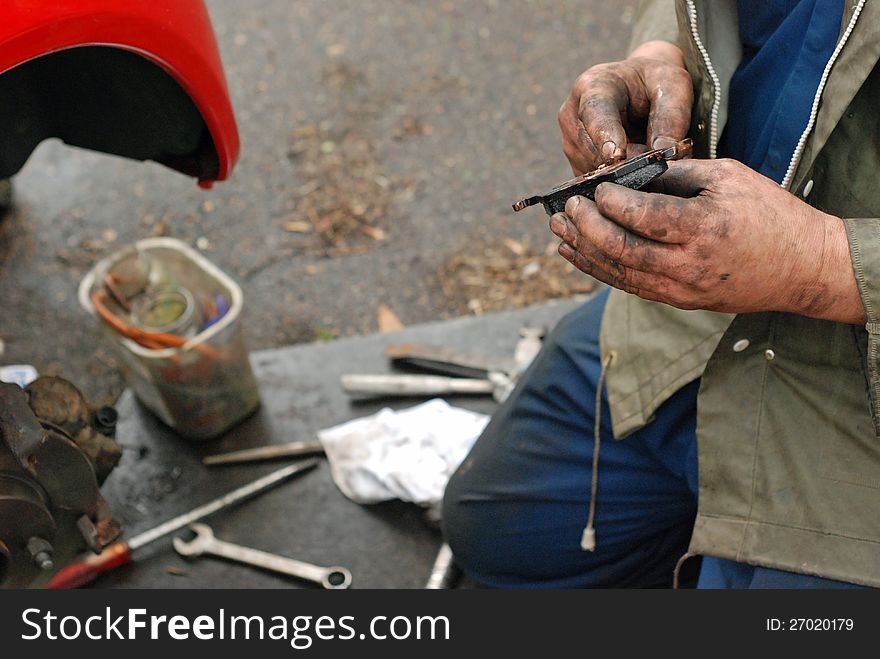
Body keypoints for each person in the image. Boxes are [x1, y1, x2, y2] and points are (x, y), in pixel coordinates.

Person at [443, 0, 880, 588]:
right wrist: (660, 55)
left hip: (857, 413)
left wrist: (825, 263)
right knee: (500, 533)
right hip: (694, 318)